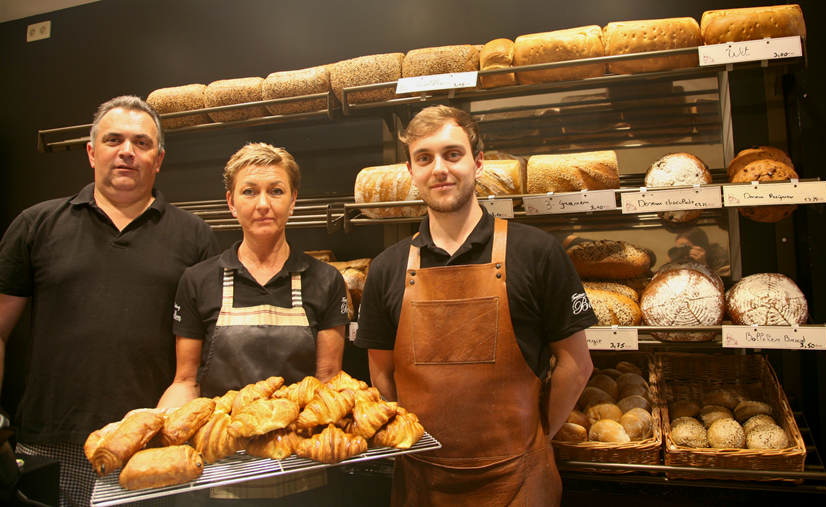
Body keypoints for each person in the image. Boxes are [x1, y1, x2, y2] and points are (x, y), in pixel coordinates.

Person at [354, 105, 597, 506]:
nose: (439, 169)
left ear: (478, 162)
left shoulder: (537, 252)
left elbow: (577, 364)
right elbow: (381, 371)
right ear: (411, 171)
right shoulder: (386, 268)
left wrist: (535, 439)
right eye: (424, 158)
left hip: (520, 482)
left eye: (453, 154)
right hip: (421, 483)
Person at [0, 95, 220, 507]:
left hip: (149, 448)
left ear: (158, 159)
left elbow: (205, 354)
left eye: (141, 143)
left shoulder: (194, 237)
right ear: (91, 152)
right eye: (113, 139)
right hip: (50, 441)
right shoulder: (36, 225)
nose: (126, 151)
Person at [158, 143, 349, 504]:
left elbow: (328, 380)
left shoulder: (325, 280)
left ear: (293, 201)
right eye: (249, 191)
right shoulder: (198, 281)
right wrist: (159, 428)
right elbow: (185, 381)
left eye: (276, 191)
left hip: (302, 464)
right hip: (221, 464)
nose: (263, 204)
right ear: (231, 203)